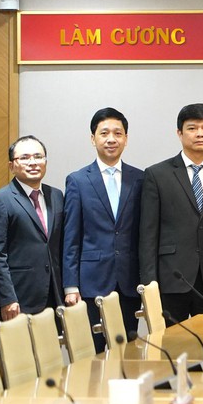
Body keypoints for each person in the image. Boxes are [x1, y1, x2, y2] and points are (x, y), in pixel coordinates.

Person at [140, 103, 203, 322]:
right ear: (179, 133)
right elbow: (148, 234)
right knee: (173, 342)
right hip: (171, 279)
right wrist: (149, 283)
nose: (200, 134)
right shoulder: (157, 175)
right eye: (192, 128)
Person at [62, 107, 144, 348]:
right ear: (93, 138)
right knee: (93, 355)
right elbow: (71, 237)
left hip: (129, 282)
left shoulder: (140, 179)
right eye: (104, 133)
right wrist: (70, 285)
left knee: (126, 353)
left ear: (126, 139)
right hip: (91, 283)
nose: (111, 139)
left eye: (118, 133)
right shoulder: (78, 180)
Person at [0, 135, 64, 318]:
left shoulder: (56, 195)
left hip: (55, 293)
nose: (33, 163)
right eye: (24, 158)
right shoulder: (0, 200)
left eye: (38, 156)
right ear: (11, 166)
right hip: (19, 297)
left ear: (45, 161)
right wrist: (6, 298)